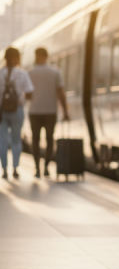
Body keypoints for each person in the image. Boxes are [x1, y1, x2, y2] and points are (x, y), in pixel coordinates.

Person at [28, 48, 70, 178]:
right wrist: (65, 111)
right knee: (49, 140)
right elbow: (61, 93)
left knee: (35, 140)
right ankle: (46, 167)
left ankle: (36, 168)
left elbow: (27, 95)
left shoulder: (30, 73)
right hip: (51, 111)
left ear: (37, 56)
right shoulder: (56, 72)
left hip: (34, 111)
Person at [0, 47, 34, 180]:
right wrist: (21, 97)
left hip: (1, 111)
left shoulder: (0, 73)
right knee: (16, 140)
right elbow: (30, 93)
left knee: (2, 141)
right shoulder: (22, 74)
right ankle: (15, 168)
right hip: (17, 109)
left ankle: (4, 170)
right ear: (17, 58)